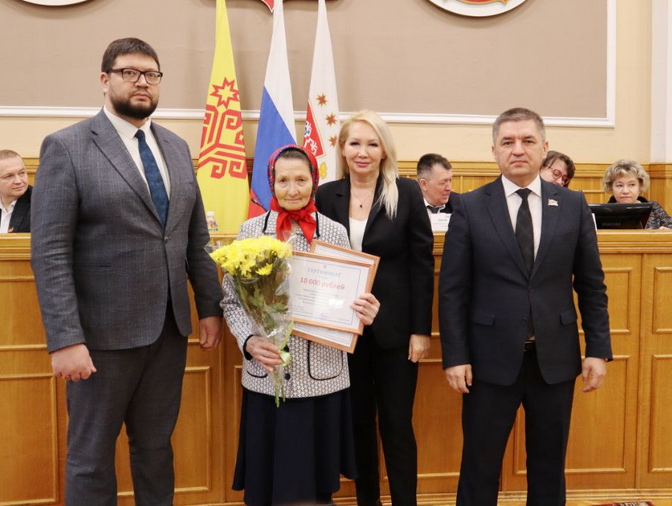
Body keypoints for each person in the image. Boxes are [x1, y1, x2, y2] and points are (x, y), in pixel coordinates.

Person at [30, 38, 223, 505]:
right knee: (91, 457)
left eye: (151, 75)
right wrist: (65, 339)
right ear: (105, 79)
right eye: (129, 72)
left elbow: (194, 237)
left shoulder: (176, 147)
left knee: (156, 450)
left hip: (168, 331)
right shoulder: (68, 146)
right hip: (100, 337)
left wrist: (209, 308)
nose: (142, 82)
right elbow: (50, 251)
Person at [439, 107, 612, 506]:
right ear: (494, 151)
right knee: (480, 464)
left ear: (544, 147)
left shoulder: (573, 204)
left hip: (555, 360)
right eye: (508, 142)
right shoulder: (470, 206)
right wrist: (456, 356)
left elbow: (591, 284)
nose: (518, 149)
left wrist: (598, 349)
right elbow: (452, 290)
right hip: (488, 360)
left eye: (528, 141)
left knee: (549, 466)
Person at [222, 145, 380, 506]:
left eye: (301, 180)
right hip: (267, 375)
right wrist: (249, 341)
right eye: (283, 181)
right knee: (268, 484)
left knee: (316, 487)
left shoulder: (335, 232)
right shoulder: (250, 231)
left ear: (314, 182)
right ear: (271, 183)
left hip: (322, 377)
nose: (292, 190)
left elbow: (349, 297)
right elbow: (231, 301)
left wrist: (364, 310)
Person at [315, 110, 434, 506]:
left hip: (395, 332)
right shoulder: (326, 195)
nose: (362, 152)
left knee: (397, 425)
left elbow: (421, 266)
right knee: (358, 424)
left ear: (384, 150)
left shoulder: (406, 192)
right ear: (342, 148)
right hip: (343, 331)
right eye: (354, 143)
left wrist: (420, 331)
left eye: (372, 143)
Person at [603, 159, 672, 229]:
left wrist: (666, 232)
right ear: (611, 187)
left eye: (632, 185)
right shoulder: (605, 211)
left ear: (640, 186)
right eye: (619, 185)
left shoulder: (654, 208)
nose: (625, 191)